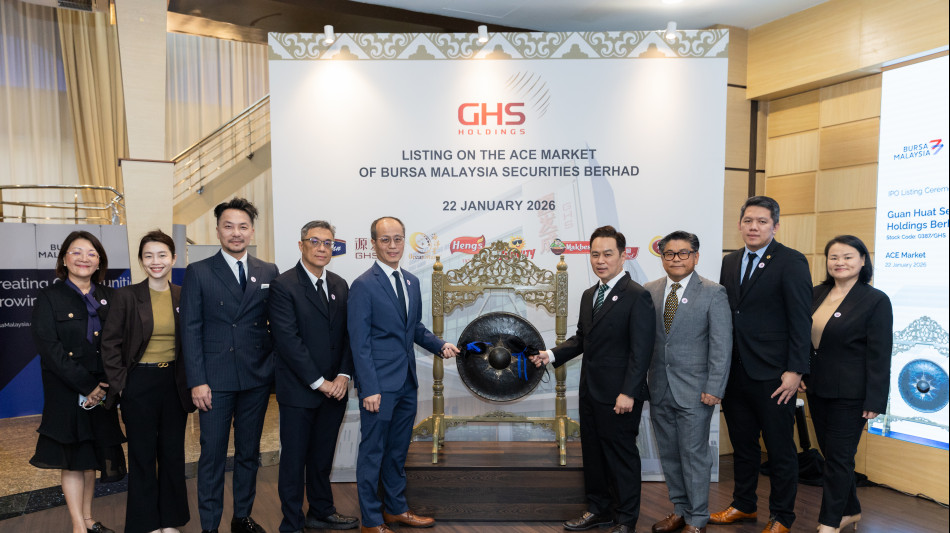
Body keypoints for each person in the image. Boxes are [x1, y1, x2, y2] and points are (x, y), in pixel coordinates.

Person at [531, 225, 655, 533]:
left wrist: (629, 392)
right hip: (590, 391)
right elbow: (582, 339)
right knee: (594, 455)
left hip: (620, 396)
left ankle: (626, 520)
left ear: (623, 256)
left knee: (621, 458)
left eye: (608, 254)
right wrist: (551, 355)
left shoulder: (637, 295)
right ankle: (599, 510)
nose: (600, 260)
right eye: (595, 254)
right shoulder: (590, 295)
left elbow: (641, 351)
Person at [347, 216, 460, 533]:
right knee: (373, 453)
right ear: (373, 243)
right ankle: (371, 520)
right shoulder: (363, 285)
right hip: (379, 387)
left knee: (397, 452)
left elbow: (414, 328)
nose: (393, 245)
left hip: (407, 383)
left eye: (398, 238)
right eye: (385, 239)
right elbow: (359, 343)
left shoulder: (411, 281)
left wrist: (440, 345)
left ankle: (396, 509)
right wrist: (369, 387)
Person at [711, 196, 811, 533]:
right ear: (740, 225)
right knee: (743, 445)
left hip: (774, 375)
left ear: (775, 226)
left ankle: (782, 516)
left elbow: (801, 319)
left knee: (780, 450)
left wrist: (796, 370)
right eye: (748, 221)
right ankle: (744, 505)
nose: (754, 227)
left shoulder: (791, 261)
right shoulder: (730, 261)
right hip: (735, 371)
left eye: (762, 221)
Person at [181, 198, 280, 533]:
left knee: (249, 453)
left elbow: (277, 324)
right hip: (214, 380)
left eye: (242, 226)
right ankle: (210, 526)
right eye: (229, 226)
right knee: (212, 456)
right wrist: (197, 381)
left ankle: (242, 518)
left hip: (256, 376)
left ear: (252, 231)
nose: (236, 233)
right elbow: (190, 329)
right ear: (218, 230)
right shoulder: (199, 271)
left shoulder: (268, 271)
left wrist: (273, 368)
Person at [30, 231, 126, 533]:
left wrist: (107, 384)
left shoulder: (111, 297)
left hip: (103, 391)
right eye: (76, 252)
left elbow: (119, 344)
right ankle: (78, 527)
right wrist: (88, 386)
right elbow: (50, 350)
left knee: (90, 456)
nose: (84, 258)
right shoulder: (49, 297)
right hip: (67, 390)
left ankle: (88, 518)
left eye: (91, 254)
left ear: (99, 262)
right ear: (64, 259)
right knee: (72, 459)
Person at [101, 230, 194, 533]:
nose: (156, 261)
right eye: (149, 256)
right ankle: (146, 523)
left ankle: (170, 521)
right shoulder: (126, 296)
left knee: (172, 453)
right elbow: (110, 344)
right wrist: (121, 386)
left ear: (173, 258)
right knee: (142, 455)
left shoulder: (183, 295)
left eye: (162, 255)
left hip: (174, 384)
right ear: (141, 261)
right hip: (138, 383)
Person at [268, 221, 359, 533]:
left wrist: (343, 375)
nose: (322, 248)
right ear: (301, 245)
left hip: (336, 390)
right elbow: (288, 341)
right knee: (294, 462)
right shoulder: (284, 285)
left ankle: (321, 511)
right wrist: (321, 382)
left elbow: (348, 335)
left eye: (328, 243)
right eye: (315, 241)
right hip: (300, 390)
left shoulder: (339, 285)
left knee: (322, 458)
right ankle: (291, 523)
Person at [802, 236, 891, 533]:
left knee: (839, 458)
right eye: (834, 257)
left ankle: (829, 521)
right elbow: (803, 338)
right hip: (817, 388)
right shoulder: (816, 293)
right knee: (832, 455)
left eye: (848, 257)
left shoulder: (875, 300)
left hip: (852, 393)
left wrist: (875, 400)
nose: (840, 262)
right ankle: (850, 511)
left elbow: (880, 354)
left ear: (863, 260)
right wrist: (801, 373)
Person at [644, 231, 732, 533]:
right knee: (669, 454)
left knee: (694, 456)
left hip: (696, 391)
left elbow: (721, 345)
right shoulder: (650, 291)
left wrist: (715, 387)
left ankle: (697, 517)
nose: (676, 259)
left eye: (683, 253)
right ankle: (679, 510)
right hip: (659, 387)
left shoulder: (713, 292)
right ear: (662, 258)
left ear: (695, 256)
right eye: (669, 253)